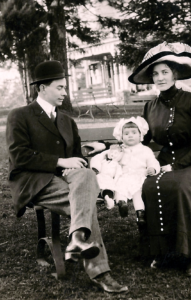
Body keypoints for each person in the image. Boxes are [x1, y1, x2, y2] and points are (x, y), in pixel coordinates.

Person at [86, 41, 191, 277]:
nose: (160, 77)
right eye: (155, 74)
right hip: (161, 163)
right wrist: (106, 146)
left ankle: (190, 255)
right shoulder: (150, 106)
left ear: (175, 73)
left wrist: (176, 165)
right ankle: (161, 252)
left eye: (165, 72)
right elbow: (139, 141)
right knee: (150, 184)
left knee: (180, 186)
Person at [6, 60, 128, 293]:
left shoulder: (66, 121)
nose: (65, 92)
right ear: (42, 88)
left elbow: (74, 156)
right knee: (86, 200)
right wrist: (60, 162)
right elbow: (19, 155)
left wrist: (77, 162)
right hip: (34, 182)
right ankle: (100, 270)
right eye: (60, 87)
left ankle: (78, 240)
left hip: (65, 178)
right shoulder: (19, 116)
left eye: (65, 87)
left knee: (85, 177)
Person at [91, 117, 160, 226]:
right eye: (126, 134)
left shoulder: (145, 150)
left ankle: (140, 213)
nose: (130, 135)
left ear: (140, 135)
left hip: (139, 175)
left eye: (134, 132)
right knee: (120, 189)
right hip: (123, 175)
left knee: (138, 192)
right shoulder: (119, 149)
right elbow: (107, 158)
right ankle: (122, 203)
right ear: (121, 136)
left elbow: (152, 161)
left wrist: (152, 168)